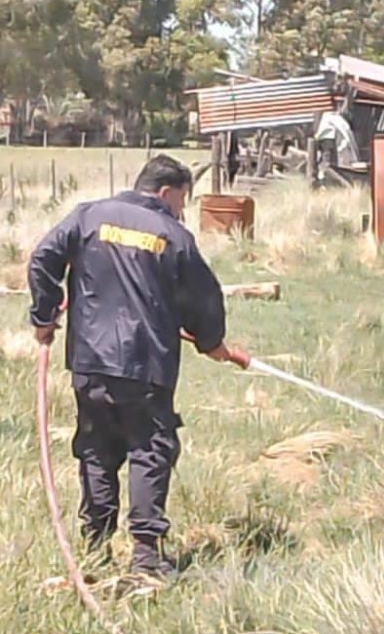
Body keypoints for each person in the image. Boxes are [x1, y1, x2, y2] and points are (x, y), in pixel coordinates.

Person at [28, 154, 248, 581]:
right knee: (149, 449)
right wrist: (213, 342)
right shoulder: (174, 234)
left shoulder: (87, 217)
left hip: (90, 362)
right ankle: (146, 557)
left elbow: (43, 259)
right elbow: (204, 297)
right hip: (146, 365)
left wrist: (42, 317)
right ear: (166, 192)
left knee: (97, 449)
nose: (181, 210)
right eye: (181, 200)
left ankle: (95, 546)